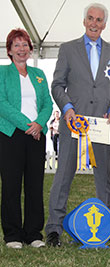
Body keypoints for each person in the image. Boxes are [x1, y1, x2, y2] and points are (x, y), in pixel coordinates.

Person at [45, 3, 110, 246]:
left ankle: (107, 228)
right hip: (74, 123)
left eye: (99, 20)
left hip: (102, 125)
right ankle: (54, 230)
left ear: (104, 24)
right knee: (62, 177)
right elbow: (57, 85)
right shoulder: (68, 49)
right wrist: (68, 108)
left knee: (105, 180)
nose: (94, 23)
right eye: (90, 18)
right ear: (84, 21)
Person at [0, 29, 53, 249]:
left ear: (30, 50)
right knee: (11, 186)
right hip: (11, 135)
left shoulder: (38, 75)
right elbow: (2, 104)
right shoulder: (3, 73)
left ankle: (33, 233)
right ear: (10, 50)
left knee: (35, 185)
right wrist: (27, 126)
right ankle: (12, 234)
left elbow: (47, 104)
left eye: (25, 45)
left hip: (36, 136)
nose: (21, 49)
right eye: (17, 45)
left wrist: (39, 124)